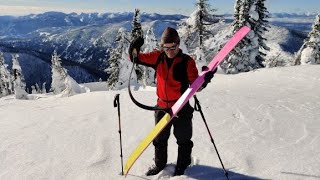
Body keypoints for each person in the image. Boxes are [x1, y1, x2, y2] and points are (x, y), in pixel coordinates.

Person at [129, 27, 215, 176]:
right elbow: (136, 58)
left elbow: (196, 87)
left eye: (172, 47)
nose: (169, 51)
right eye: (165, 47)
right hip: (162, 107)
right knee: (159, 140)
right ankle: (159, 165)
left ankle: (182, 166)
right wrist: (133, 49)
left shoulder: (187, 62)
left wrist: (204, 81)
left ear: (178, 44)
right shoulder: (158, 57)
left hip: (181, 107)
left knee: (183, 140)